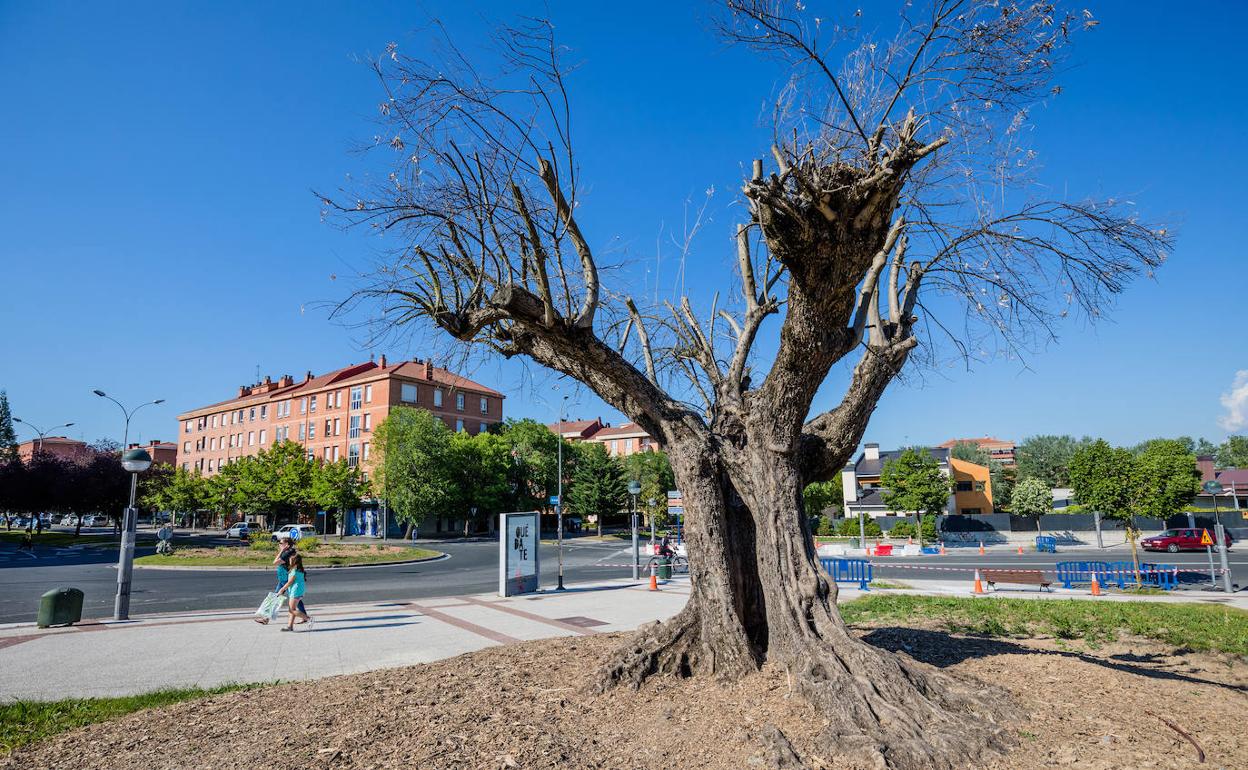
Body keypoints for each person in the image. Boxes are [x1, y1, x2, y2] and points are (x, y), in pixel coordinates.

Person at [277, 552, 311, 631]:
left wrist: (282, 589)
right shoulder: (298, 569)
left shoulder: (294, 570)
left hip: (296, 591)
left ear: (294, 561)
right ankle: (290, 627)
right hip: (297, 590)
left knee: (292, 610)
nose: (289, 561)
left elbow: (290, 582)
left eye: (290, 560)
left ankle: (309, 618)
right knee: (292, 609)